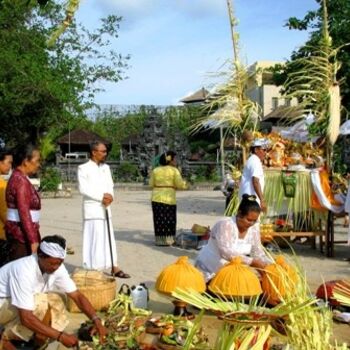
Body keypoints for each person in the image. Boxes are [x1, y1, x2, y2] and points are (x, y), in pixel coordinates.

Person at [0, 235, 108, 350]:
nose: (55, 267)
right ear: (40, 256)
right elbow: (26, 317)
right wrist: (60, 336)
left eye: (59, 263)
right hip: (2, 306)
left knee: (57, 298)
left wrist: (96, 320)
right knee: (40, 302)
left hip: (15, 306)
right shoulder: (23, 270)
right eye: (52, 263)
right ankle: (6, 337)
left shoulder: (57, 267)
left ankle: (37, 340)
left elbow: (77, 296)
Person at [78, 141, 130, 278]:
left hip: (106, 207)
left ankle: (114, 266)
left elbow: (110, 185)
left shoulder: (106, 167)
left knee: (109, 238)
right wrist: (101, 197)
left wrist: (110, 197)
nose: (105, 154)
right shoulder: (83, 168)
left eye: (105, 151)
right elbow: (83, 189)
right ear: (94, 152)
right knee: (94, 239)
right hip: (93, 209)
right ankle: (94, 269)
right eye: (103, 151)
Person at [195, 194, 271, 283]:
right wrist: (252, 262)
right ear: (239, 213)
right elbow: (226, 252)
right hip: (210, 268)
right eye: (249, 220)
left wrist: (270, 265)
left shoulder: (253, 229)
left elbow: (257, 252)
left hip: (232, 270)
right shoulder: (225, 224)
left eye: (254, 221)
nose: (251, 223)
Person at [5, 144, 41, 261]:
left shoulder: (19, 177)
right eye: (37, 161)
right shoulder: (20, 181)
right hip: (21, 235)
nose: (38, 164)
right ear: (26, 161)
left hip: (21, 231)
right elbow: (24, 212)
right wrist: (33, 240)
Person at [149, 151, 187, 246]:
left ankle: (159, 240)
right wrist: (185, 184)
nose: (176, 160)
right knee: (170, 219)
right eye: (175, 159)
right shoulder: (174, 170)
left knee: (158, 219)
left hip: (156, 198)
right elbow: (180, 185)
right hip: (169, 198)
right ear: (170, 160)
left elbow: (150, 184)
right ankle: (169, 240)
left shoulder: (155, 170)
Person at [238, 138, 268, 213]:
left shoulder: (253, 160)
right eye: (263, 150)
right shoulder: (255, 161)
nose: (265, 153)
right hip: (251, 200)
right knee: (252, 222)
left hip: (249, 199)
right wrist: (262, 200)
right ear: (256, 150)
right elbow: (255, 181)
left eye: (266, 150)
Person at [0, 148, 13, 266]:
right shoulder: (2, 185)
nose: (10, 166)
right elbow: (3, 211)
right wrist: (12, 229)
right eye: (8, 162)